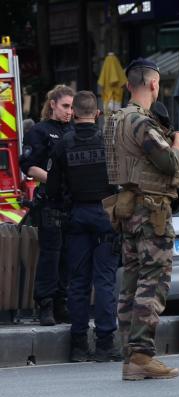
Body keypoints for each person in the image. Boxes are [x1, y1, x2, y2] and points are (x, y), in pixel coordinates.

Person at [104, 58, 179, 380]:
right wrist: (178, 142)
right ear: (154, 85)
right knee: (153, 282)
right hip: (151, 212)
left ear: (127, 85)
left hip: (127, 208)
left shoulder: (114, 120)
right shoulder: (142, 122)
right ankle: (142, 355)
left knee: (131, 283)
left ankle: (130, 357)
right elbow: (168, 163)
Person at [46, 91, 121, 362]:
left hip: (76, 216)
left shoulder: (63, 144)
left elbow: (52, 187)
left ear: (75, 114)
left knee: (77, 282)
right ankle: (105, 344)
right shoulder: (109, 141)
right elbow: (120, 181)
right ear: (97, 113)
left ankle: (78, 345)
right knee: (104, 281)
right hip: (106, 216)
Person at [19, 84, 74, 326]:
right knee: (50, 255)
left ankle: (62, 302)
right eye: (65, 106)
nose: (69, 111)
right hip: (51, 202)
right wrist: (56, 180)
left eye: (72, 107)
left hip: (72, 202)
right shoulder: (40, 131)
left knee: (68, 255)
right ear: (52, 104)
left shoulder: (74, 130)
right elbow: (30, 166)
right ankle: (46, 305)